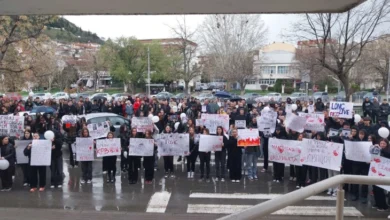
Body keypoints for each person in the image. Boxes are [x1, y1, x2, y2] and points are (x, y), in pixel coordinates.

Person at [372, 138, 390, 211]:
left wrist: (381, 150)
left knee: (380, 189)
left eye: (384, 144)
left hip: (384, 173)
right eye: (381, 143)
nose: (382, 145)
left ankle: (383, 205)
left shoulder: (387, 151)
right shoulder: (376, 150)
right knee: (375, 188)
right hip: (376, 171)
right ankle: (377, 203)